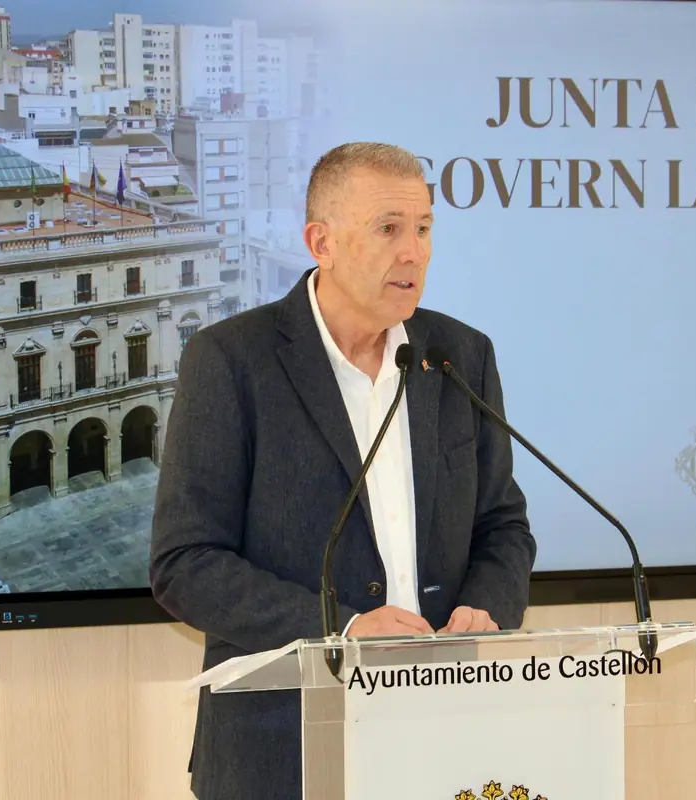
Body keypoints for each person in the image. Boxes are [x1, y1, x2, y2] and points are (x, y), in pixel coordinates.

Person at [149, 141, 537, 800]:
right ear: (320, 242)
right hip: (285, 751)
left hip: (443, 740)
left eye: (423, 229)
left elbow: (504, 527)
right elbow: (185, 564)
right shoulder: (233, 361)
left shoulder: (459, 357)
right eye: (389, 229)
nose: (414, 252)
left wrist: (486, 606)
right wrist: (344, 627)